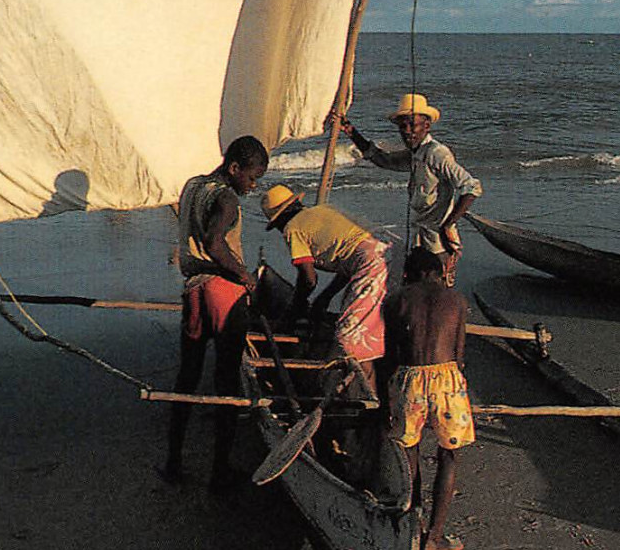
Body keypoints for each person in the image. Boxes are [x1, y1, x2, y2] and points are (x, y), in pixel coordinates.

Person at [163, 135, 268, 491]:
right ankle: (219, 474)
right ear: (234, 168)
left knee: (187, 377)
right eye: (251, 178)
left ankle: (173, 462)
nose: (252, 187)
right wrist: (243, 275)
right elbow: (214, 242)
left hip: (193, 289)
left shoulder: (193, 186)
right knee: (226, 382)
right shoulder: (226, 198)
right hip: (223, 292)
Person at [334, 93, 482, 287]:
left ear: (427, 126)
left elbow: (471, 186)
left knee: (436, 289)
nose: (407, 131)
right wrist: (351, 132)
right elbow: (382, 159)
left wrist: (448, 224)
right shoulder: (415, 153)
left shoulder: (436, 153)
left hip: (438, 242)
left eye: (413, 125)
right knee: (416, 288)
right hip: (420, 238)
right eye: (402, 127)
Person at [385, 247, 475, 550]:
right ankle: (434, 538)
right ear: (436, 272)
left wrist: (388, 398)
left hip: (409, 378)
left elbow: (391, 355)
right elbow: (459, 357)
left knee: (409, 451)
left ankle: (414, 521)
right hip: (447, 380)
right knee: (449, 455)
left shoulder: (396, 300)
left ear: (415, 273)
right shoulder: (458, 301)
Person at [259, 184, 389, 380]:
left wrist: (295, 307)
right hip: (386, 253)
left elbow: (309, 279)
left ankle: (364, 395)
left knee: (349, 336)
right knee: (376, 325)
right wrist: (324, 298)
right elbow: (347, 261)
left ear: (279, 220)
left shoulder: (292, 229)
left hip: (372, 265)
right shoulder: (321, 210)